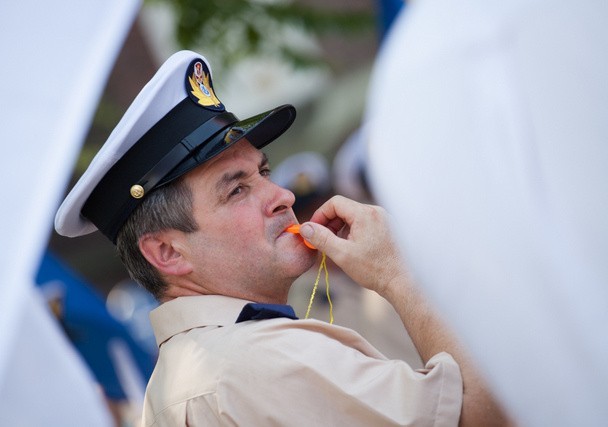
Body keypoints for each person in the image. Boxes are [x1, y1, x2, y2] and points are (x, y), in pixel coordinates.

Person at [55, 51, 509, 426]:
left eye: (264, 172)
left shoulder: (193, 370)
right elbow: (484, 413)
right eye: (236, 189)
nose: (282, 196)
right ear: (167, 252)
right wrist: (397, 272)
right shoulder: (256, 362)